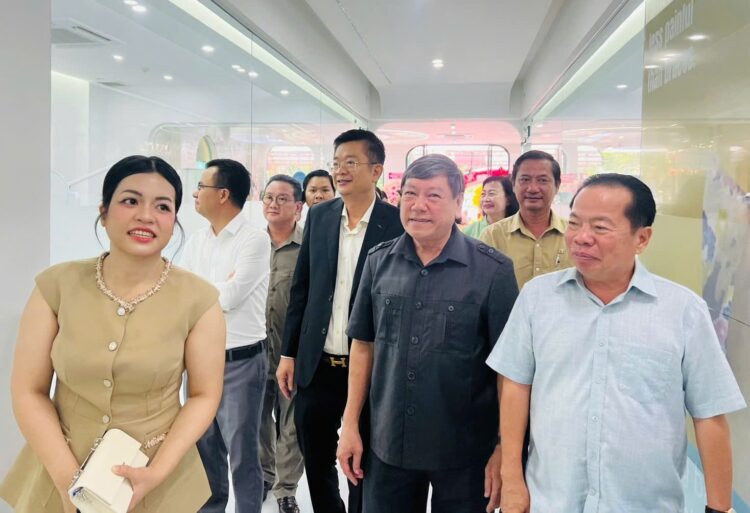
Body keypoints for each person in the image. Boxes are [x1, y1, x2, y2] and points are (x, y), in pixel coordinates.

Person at [488, 173, 746, 513]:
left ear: (642, 238)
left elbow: (709, 414)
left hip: (646, 504)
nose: (582, 238)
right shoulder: (538, 298)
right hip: (551, 500)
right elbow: (516, 385)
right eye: (575, 223)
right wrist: (512, 478)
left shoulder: (683, 311)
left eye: (600, 227)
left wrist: (719, 508)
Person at [0, 155, 226, 513]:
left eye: (162, 206)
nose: (146, 216)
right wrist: (67, 480)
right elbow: (28, 389)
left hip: (157, 477)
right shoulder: (56, 286)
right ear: (104, 212)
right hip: (59, 469)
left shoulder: (200, 300)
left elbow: (203, 395)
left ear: (174, 222)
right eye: (130, 201)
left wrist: (156, 473)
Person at [337, 154, 519, 513]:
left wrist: (504, 448)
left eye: (433, 196)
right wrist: (351, 425)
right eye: (410, 194)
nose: (418, 206)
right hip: (389, 441)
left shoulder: (493, 270)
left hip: (465, 449)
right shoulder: (378, 261)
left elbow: (509, 369)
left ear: (457, 203)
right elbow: (363, 345)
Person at [276, 129, 403, 513]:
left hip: (371, 370)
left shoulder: (396, 223)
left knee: (362, 465)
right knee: (316, 461)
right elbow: (302, 288)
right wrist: (289, 353)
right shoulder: (320, 216)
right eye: (336, 163)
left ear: (376, 170)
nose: (340, 170)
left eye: (351, 162)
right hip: (317, 365)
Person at [182, 159, 271, 513]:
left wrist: (202, 290)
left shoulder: (254, 240)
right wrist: (215, 288)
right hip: (199, 362)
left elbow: (231, 298)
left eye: (201, 186)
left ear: (222, 194)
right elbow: (180, 293)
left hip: (241, 361)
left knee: (242, 455)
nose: (195, 193)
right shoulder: (198, 240)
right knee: (205, 450)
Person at [259, 175, 305, 513]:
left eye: (282, 198)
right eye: (268, 197)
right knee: (258, 419)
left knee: (292, 422)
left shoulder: (309, 249)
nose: (273, 204)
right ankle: (264, 475)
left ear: (298, 207)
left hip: (293, 351)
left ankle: (285, 488)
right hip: (255, 348)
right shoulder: (251, 246)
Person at [480, 150, 571, 288]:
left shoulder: (574, 235)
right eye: (525, 180)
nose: (533, 188)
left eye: (542, 180)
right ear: (513, 185)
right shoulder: (492, 236)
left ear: (557, 186)